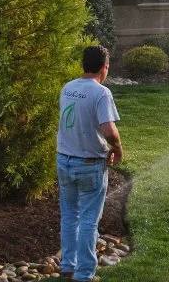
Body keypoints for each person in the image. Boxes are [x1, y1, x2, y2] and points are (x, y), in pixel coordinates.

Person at [56, 45, 123, 282]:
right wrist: (117, 147)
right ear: (104, 67)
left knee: (69, 216)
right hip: (89, 164)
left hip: (64, 160)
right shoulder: (100, 93)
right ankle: (84, 275)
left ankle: (67, 266)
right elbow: (109, 130)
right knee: (87, 221)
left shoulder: (68, 88)